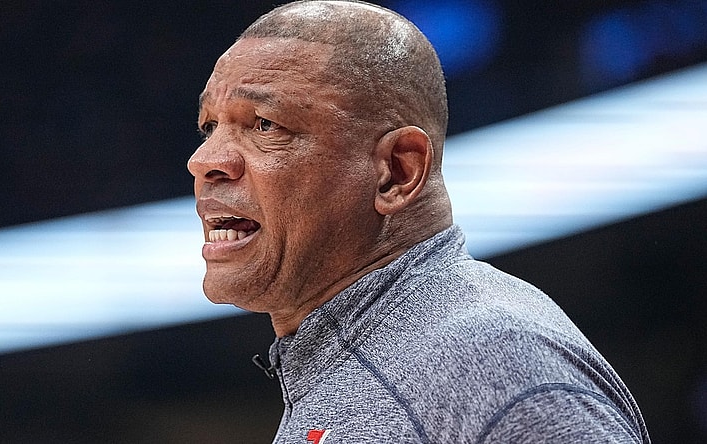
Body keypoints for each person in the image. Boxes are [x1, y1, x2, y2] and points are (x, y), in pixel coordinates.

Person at [187, 1, 650, 442]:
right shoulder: (375, 360)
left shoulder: (488, 359)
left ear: (397, 173)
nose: (204, 160)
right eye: (210, 126)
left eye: (266, 124)